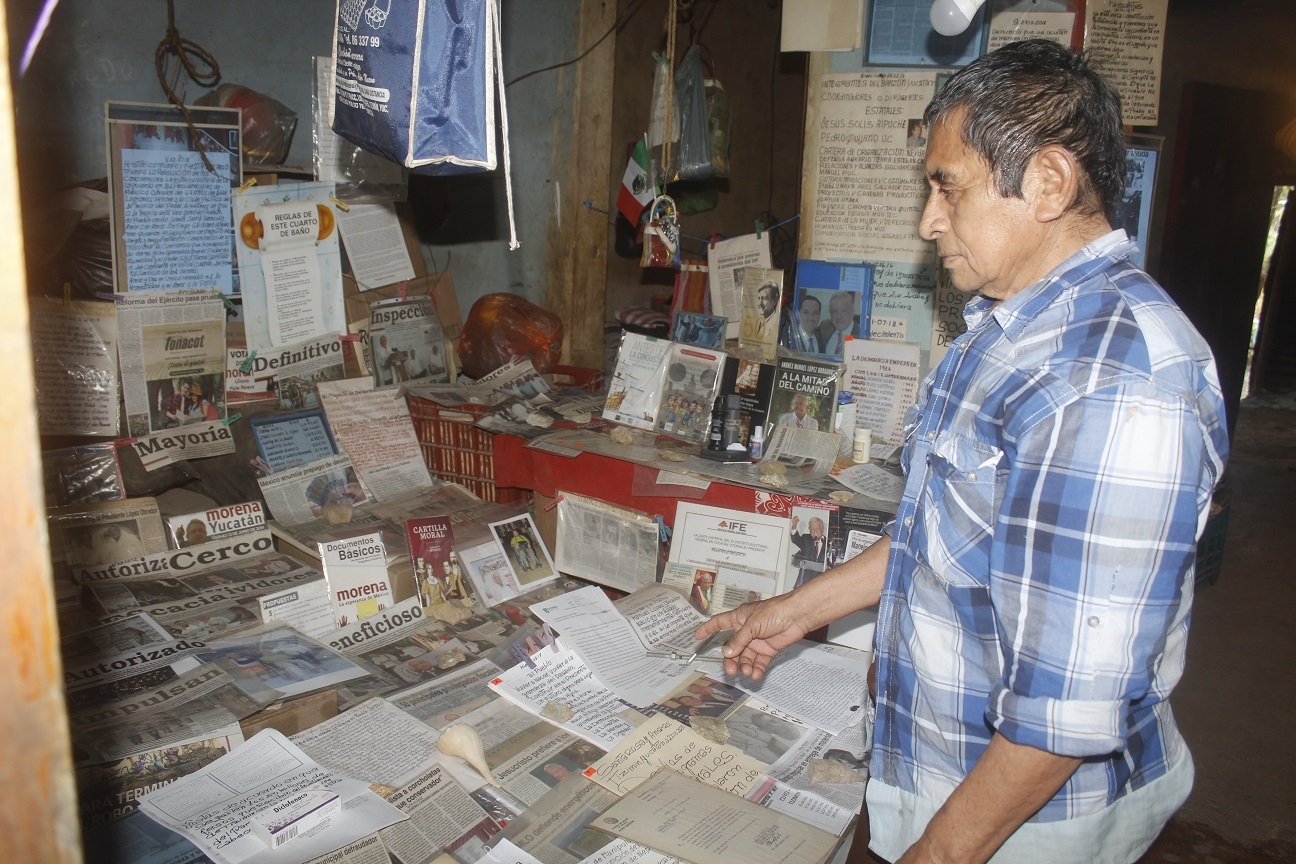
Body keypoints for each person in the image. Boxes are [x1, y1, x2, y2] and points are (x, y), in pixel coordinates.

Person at [696, 40, 1227, 864]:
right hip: (942, 773)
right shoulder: (1003, 328)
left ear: (1048, 182)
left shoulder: (1116, 382)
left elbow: (1067, 712)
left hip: (1029, 822)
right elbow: (936, 537)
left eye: (948, 186)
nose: (927, 220)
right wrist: (793, 611)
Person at [818, 291, 858, 356]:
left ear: (852, 311)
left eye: (843, 311)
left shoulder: (861, 334)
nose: (839, 316)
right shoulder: (824, 326)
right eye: (834, 311)